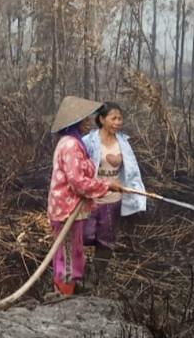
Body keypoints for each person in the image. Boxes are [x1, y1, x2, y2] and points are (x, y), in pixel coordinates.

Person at [48, 96, 123, 296]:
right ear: (76, 123)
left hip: (71, 208)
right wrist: (107, 186)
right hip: (66, 210)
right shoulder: (71, 146)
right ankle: (64, 291)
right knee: (67, 253)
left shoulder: (73, 143)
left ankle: (71, 289)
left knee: (74, 250)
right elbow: (78, 182)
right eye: (85, 120)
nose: (89, 123)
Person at [82, 101, 146, 288]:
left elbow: (132, 171)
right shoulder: (89, 141)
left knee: (106, 239)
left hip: (113, 201)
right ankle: (81, 273)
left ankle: (96, 278)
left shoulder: (123, 143)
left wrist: (135, 191)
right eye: (114, 118)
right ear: (102, 119)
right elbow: (81, 171)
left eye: (120, 118)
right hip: (91, 199)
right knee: (85, 236)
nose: (118, 122)